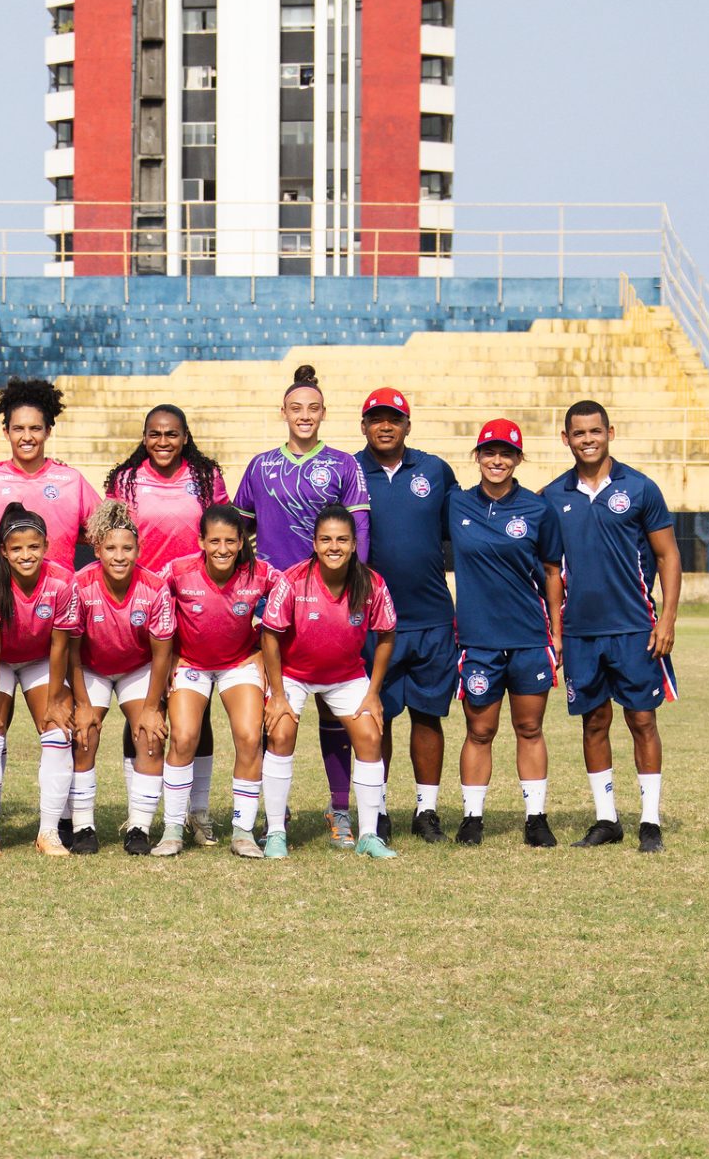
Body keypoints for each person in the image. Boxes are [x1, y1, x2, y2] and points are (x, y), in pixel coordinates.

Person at [234, 364, 372, 849]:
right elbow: (239, 535)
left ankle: (339, 810)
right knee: (279, 712)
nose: (305, 416)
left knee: (336, 714)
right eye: (297, 408)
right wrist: (247, 590)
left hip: (332, 603)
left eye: (313, 408)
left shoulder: (343, 465)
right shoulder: (259, 466)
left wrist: (356, 589)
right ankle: (279, 810)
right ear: (284, 413)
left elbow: (361, 533)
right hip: (276, 605)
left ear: (323, 413)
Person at [545, 400, 680, 853]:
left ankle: (650, 820)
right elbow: (550, 573)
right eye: (579, 433)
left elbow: (668, 556)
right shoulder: (552, 496)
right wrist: (557, 632)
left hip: (635, 629)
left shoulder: (640, 488)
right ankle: (606, 819)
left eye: (595, 431)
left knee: (642, 719)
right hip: (581, 632)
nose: (588, 439)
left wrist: (668, 618)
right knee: (594, 721)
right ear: (566, 439)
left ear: (610, 433)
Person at [104, 402, 231, 843]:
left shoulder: (206, 476)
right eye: (155, 434)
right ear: (144, 438)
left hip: (195, 601)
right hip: (139, 602)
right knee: (141, 701)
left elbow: (222, 531)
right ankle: (137, 811)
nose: (163, 442)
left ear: (185, 437)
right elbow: (112, 535)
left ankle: (197, 813)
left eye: (171, 434)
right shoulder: (125, 479)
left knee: (197, 707)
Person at [448, 420, 566, 849]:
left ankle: (536, 818)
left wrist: (556, 631)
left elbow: (552, 571)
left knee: (529, 727)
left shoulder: (538, 510)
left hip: (530, 637)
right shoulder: (456, 505)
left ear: (518, 459)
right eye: (489, 452)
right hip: (477, 639)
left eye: (506, 453)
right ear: (477, 456)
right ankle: (472, 818)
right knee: (480, 730)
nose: (497, 461)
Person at [257, 506, 397, 860]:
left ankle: (368, 835)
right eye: (326, 540)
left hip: (346, 676)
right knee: (281, 731)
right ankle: (275, 831)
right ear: (315, 544)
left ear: (353, 544)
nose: (334, 547)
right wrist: (276, 694)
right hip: (294, 675)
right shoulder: (293, 580)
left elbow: (387, 636)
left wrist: (373, 692)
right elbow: (270, 637)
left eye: (342, 540)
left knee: (370, 735)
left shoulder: (372, 583)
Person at [144, 505, 279, 859]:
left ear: (240, 543)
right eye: (214, 540)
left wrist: (263, 647)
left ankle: (243, 831)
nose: (222, 549)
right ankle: (173, 828)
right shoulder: (177, 571)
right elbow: (150, 596)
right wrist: (169, 648)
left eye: (230, 542)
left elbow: (290, 599)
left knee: (250, 737)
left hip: (239, 663)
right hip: (191, 663)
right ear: (201, 541)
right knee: (185, 736)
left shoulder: (260, 573)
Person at [355, 388, 459, 843]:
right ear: (364, 426)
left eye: (393, 418)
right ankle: (376, 811)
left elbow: (457, 531)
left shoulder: (435, 470)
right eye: (376, 418)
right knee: (378, 717)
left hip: (432, 616)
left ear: (408, 425)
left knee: (428, 716)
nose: (385, 426)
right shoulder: (349, 470)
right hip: (373, 620)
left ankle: (426, 810)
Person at [0, 503, 79, 857]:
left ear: (45, 546)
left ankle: (48, 832)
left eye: (33, 547)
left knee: (58, 730)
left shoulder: (62, 581)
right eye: (16, 548)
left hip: (40, 659)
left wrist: (56, 700)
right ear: (3, 551)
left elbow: (60, 646)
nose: (25, 555)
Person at [62, 503, 163, 857]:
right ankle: (83, 826)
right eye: (111, 548)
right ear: (97, 548)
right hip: (90, 667)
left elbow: (162, 652)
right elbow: (71, 649)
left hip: (137, 667)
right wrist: (84, 704)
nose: (119, 556)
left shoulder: (155, 587)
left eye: (127, 548)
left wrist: (152, 708)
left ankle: (139, 827)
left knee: (151, 736)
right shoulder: (79, 585)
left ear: (138, 549)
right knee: (85, 735)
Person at [0, 378, 99, 570]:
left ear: (47, 431)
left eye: (35, 428)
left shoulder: (71, 481)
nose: (27, 437)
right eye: (19, 429)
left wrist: (67, 535)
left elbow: (108, 532)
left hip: (55, 597)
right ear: (6, 432)